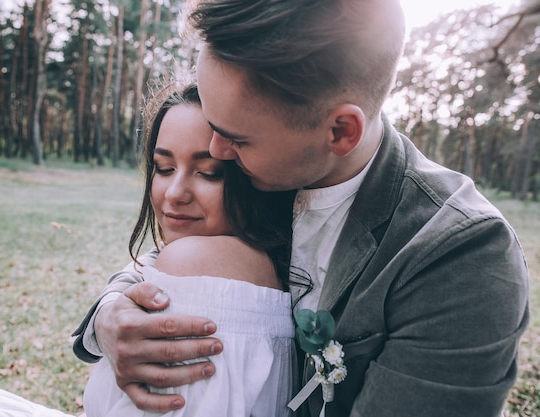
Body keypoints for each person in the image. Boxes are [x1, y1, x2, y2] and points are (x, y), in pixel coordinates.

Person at [72, 1, 530, 416]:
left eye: (237, 137)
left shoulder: (460, 255)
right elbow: (178, 261)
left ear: (339, 132)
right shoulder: (268, 169)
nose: (218, 150)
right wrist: (110, 314)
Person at [80, 82, 301, 417]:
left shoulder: (196, 262)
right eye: (164, 168)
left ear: (255, 178)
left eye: (209, 173)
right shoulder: (251, 260)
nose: (175, 193)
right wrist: (106, 312)